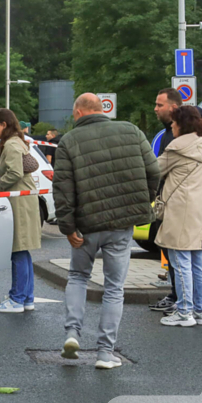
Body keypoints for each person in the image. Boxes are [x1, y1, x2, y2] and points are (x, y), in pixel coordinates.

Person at [54, 94, 160, 370]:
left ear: (78, 112)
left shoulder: (69, 141)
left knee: (78, 277)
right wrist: (141, 202)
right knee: (114, 288)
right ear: (102, 111)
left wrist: (68, 226)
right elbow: (154, 171)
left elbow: (63, 188)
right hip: (120, 226)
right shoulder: (131, 131)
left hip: (85, 226)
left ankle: (72, 334)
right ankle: (104, 353)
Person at [156, 106, 202, 327]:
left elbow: (153, 170)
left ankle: (184, 312)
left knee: (180, 264)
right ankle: (201, 311)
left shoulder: (176, 148)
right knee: (200, 264)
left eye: (173, 122)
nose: (171, 126)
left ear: (181, 124)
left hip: (180, 210)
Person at [0, 108, 41, 313]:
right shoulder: (17, 141)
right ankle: (26, 298)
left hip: (19, 201)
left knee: (17, 250)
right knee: (23, 250)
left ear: (4, 124)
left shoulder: (10, 144)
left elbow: (16, 173)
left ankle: (17, 299)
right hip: (23, 199)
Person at [149, 88, 183, 314]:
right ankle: (176, 294)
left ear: (173, 107)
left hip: (176, 204)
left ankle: (182, 299)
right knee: (169, 251)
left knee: (180, 255)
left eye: (159, 105)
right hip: (167, 201)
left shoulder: (178, 136)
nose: (155, 109)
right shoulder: (166, 133)